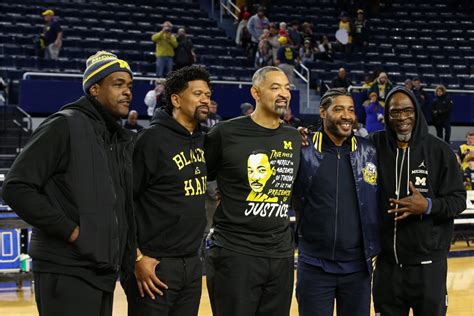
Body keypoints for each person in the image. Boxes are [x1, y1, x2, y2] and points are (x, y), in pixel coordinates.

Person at [2, 51, 136, 316]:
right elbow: (16, 187)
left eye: (130, 86)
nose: (127, 92)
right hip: (65, 269)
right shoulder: (63, 125)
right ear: (94, 90)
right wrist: (73, 232)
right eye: (118, 84)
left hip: (100, 272)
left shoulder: (115, 139)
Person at [205, 66, 301, 316]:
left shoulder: (294, 138)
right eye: (275, 87)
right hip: (236, 254)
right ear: (255, 93)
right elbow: (201, 175)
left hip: (280, 256)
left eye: (287, 88)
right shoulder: (225, 133)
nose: (284, 94)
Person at [370, 87, 466, 316]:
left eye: (407, 111)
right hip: (387, 267)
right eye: (395, 112)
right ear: (387, 114)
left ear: (417, 111)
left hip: (428, 268)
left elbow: (458, 200)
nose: (402, 118)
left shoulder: (440, 150)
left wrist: (428, 206)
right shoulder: (374, 146)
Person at [127, 66, 211, 315]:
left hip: (192, 263)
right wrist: (136, 258)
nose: (205, 99)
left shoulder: (203, 139)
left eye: (208, 94)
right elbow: (122, 202)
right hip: (154, 264)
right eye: (198, 94)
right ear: (175, 99)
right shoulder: (149, 140)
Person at [293, 88, 380, 316]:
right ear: (323, 112)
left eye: (351, 110)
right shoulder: (303, 148)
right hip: (314, 265)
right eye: (338, 109)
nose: (347, 116)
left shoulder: (369, 151)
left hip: (358, 267)